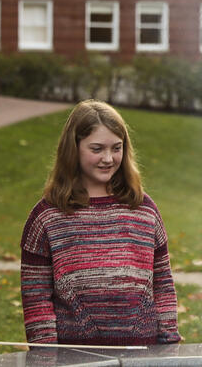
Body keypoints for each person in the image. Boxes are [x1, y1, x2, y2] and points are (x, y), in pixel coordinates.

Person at [20, 100, 180, 346]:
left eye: (117, 148)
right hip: (73, 357)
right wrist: (45, 354)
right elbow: (36, 297)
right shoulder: (47, 216)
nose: (108, 158)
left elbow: (162, 284)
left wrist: (169, 342)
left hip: (143, 352)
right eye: (97, 149)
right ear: (73, 148)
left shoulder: (143, 209)